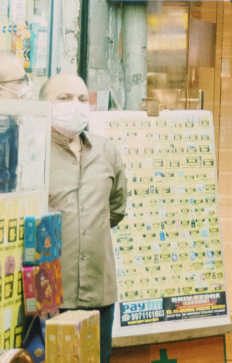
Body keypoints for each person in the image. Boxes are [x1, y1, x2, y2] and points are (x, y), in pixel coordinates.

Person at [41, 73, 126, 363]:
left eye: (80, 98)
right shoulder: (33, 150)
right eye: (62, 99)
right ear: (43, 105)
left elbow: (115, 209)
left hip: (98, 292)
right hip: (47, 295)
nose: (73, 105)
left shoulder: (106, 151)